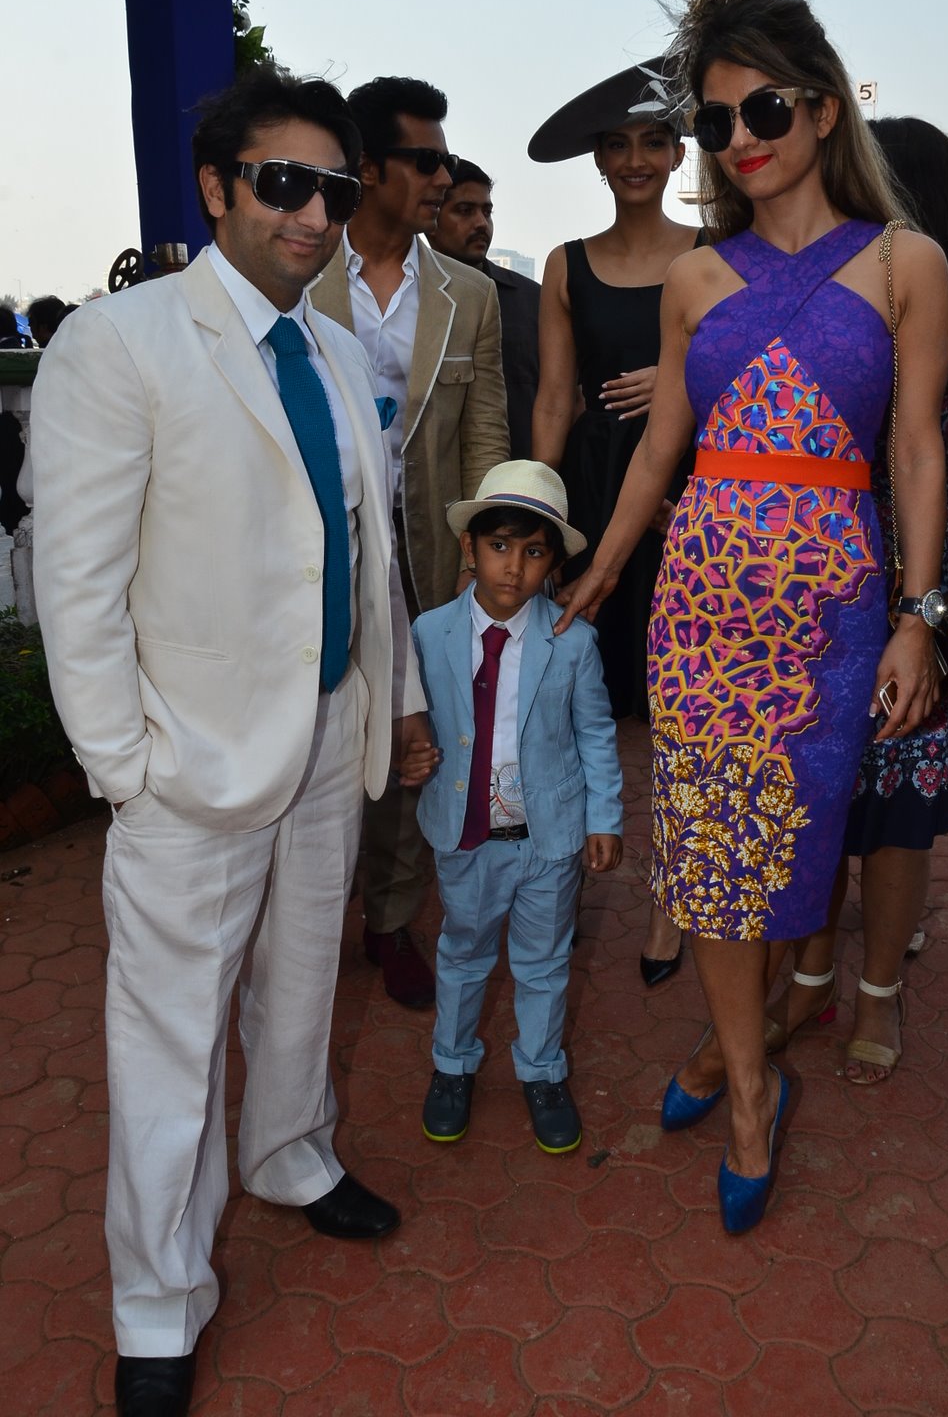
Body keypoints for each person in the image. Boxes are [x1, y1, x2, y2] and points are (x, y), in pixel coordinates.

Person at [31, 70, 430, 1417]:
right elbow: (77, 582)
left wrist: (394, 700)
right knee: (170, 1045)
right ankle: (158, 1301)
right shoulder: (123, 342)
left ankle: (292, 1153)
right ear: (217, 188)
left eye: (335, 188)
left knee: (303, 982)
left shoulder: (333, 350)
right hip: (186, 766)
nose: (313, 213)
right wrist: (125, 769)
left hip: (326, 733)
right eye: (283, 183)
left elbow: (365, 551)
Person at [556, 0, 948, 1232]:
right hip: (702, 607)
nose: (738, 139)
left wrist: (918, 619)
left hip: (834, 617)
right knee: (715, 850)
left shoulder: (903, 263)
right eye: (716, 121)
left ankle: (743, 1038)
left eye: (763, 110)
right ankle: (745, 1091)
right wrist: (602, 569)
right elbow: (659, 453)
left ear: (824, 109)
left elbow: (915, 449)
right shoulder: (693, 278)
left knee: (788, 852)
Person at [767, 119, 948, 1084]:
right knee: (816, 799)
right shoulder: (826, 300)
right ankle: (811, 977)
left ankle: (878, 992)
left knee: (897, 814)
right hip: (814, 603)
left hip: (923, 610)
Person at [310, 77, 509, 1009]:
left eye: (445, 160)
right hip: (318, 552)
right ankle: (311, 910)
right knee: (319, 730)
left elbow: (484, 433)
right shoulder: (301, 274)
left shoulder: (469, 295)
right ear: (369, 168)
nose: (441, 178)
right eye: (425, 161)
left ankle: (390, 921)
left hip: (429, 552)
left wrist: (484, 549)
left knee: (413, 734)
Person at [528, 59, 702, 986]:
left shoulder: (716, 253)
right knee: (575, 702)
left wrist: (682, 378)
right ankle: (555, 877)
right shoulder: (566, 263)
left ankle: (672, 901)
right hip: (594, 501)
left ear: (678, 153)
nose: (637, 159)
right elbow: (555, 399)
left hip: (689, 505)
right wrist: (538, 514)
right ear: (598, 160)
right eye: (619, 145)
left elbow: (755, 378)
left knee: (680, 711)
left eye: (653, 142)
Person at [405, 461, 622, 1152]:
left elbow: (596, 732)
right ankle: (452, 1064)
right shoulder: (429, 634)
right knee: (463, 954)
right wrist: (406, 757)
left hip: (547, 841)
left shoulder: (573, 641)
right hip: (465, 835)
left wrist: (603, 817)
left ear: (553, 563)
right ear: (468, 547)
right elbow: (410, 721)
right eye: (499, 546)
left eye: (533, 552)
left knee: (544, 962)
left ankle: (542, 1069)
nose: (514, 567)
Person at [431, 158, 541, 459]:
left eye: (487, 211)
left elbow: (567, 396)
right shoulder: (407, 298)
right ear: (432, 216)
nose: (481, 223)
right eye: (465, 210)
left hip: (522, 476)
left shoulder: (532, 300)